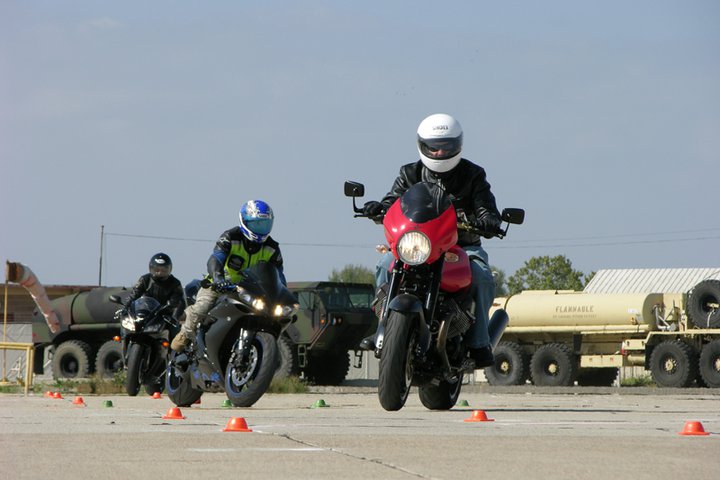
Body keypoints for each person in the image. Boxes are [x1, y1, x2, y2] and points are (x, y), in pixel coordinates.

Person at [361, 113, 502, 368]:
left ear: (457, 146)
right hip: (418, 244)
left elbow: (486, 208)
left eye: (445, 147)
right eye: (433, 147)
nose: (438, 153)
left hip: (461, 246)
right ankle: (383, 323)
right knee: (384, 264)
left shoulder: (473, 175)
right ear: (422, 145)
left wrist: (488, 219)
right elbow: (393, 200)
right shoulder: (410, 172)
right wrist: (378, 207)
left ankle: (479, 343)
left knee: (481, 276)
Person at [171, 200, 285, 351]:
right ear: (244, 221)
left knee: (272, 317)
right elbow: (215, 259)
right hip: (220, 286)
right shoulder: (230, 237)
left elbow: (278, 275)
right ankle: (185, 334)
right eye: (256, 224)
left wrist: (281, 293)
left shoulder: (272, 248)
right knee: (202, 307)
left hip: (250, 291)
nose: (260, 228)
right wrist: (218, 278)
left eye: (264, 224)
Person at [119, 253, 186, 331]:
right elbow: (134, 294)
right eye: (157, 270)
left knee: (174, 327)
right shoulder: (144, 279)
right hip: (146, 312)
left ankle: (173, 341)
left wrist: (171, 312)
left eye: (163, 270)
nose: (160, 272)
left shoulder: (175, 283)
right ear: (151, 268)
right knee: (126, 324)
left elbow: (176, 300)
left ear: (169, 269)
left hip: (165, 313)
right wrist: (125, 307)